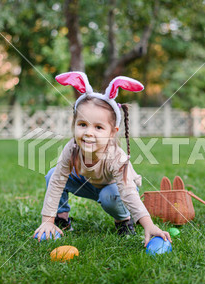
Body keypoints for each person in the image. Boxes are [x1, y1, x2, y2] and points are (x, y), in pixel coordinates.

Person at [34, 72, 171, 247]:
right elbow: (58, 180)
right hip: (87, 183)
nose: (89, 132)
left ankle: (123, 220)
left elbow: (128, 191)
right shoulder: (72, 148)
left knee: (109, 196)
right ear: (74, 124)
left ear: (112, 132)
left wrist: (149, 225)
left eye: (98, 127)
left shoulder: (116, 156)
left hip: (114, 188)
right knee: (52, 174)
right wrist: (47, 220)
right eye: (82, 125)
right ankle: (60, 219)